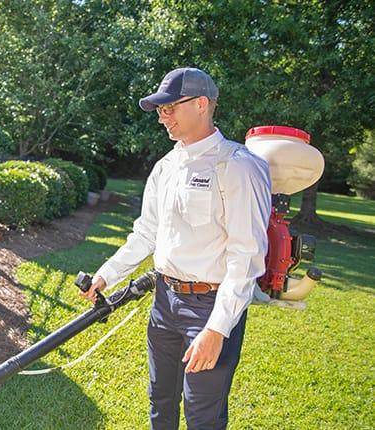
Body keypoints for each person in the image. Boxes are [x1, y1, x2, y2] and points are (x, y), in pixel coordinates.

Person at [80, 67, 271, 429]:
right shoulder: (166, 167)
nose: (162, 117)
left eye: (169, 108)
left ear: (201, 104)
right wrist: (106, 275)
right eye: (159, 110)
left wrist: (216, 330)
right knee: (161, 401)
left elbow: (245, 258)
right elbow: (146, 234)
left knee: (203, 416)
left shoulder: (238, 167)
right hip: (164, 302)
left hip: (209, 307)